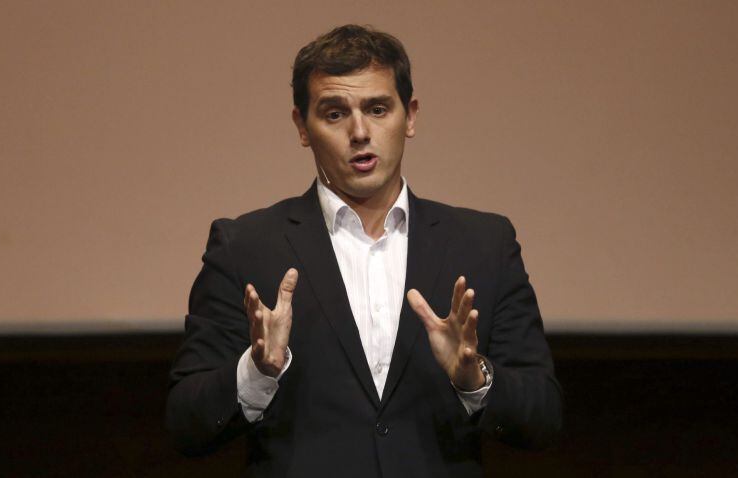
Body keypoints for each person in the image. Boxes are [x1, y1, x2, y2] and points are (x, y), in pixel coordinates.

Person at [166, 24, 562, 477]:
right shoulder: (245, 247)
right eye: (334, 114)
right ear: (302, 126)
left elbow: (544, 418)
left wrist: (475, 381)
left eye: (377, 109)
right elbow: (185, 425)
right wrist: (256, 372)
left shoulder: (484, 244)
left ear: (409, 116)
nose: (359, 132)